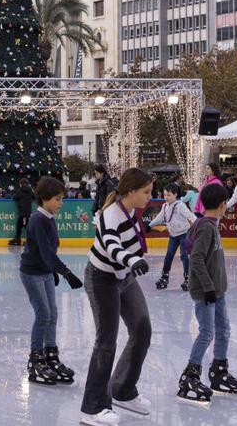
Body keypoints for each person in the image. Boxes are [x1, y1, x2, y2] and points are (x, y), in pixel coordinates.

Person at [81, 168, 154, 426]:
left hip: (124, 276)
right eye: (145, 192)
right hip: (102, 279)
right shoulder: (109, 215)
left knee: (142, 329)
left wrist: (132, 261)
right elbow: (112, 245)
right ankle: (94, 406)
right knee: (106, 341)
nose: (149, 196)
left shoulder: (131, 211)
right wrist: (132, 259)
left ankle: (123, 389)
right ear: (130, 191)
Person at [177, 183, 237, 404]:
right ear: (223, 204)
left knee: (224, 329)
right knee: (207, 332)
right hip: (206, 291)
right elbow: (195, 258)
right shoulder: (206, 227)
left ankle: (218, 370)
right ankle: (190, 374)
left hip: (217, 290)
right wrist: (207, 286)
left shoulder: (211, 225)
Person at [20, 177, 83, 386]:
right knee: (43, 315)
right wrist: (66, 272)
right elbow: (46, 252)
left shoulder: (48, 218)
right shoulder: (38, 219)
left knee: (53, 314)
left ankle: (50, 355)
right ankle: (35, 358)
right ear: (45, 198)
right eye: (57, 199)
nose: (61, 203)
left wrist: (53, 271)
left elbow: (47, 251)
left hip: (45, 272)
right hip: (32, 273)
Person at [149, 183, 197, 292]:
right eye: (165, 195)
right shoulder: (165, 206)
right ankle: (164, 277)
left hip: (184, 234)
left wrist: (198, 225)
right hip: (173, 235)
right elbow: (160, 217)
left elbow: (191, 216)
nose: (166, 197)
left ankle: (188, 278)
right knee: (169, 255)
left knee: (184, 256)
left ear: (175, 195)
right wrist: (150, 225)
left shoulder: (180, 205)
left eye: (169, 195)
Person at [9, 178, 36, 246]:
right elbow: (34, 197)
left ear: (21, 184)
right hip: (27, 212)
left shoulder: (20, 190)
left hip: (22, 212)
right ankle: (18, 239)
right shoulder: (30, 190)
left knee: (24, 226)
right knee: (21, 226)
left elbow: (15, 198)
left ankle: (28, 240)